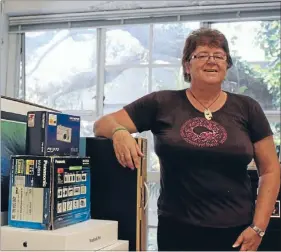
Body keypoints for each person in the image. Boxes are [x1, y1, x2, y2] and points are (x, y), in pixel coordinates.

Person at [93, 28, 280, 251]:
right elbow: (101, 124)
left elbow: (270, 170)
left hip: (237, 233)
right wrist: (119, 132)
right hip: (177, 231)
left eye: (219, 55)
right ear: (187, 65)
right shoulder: (162, 103)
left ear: (227, 65)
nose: (211, 61)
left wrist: (259, 227)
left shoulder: (248, 108)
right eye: (202, 55)